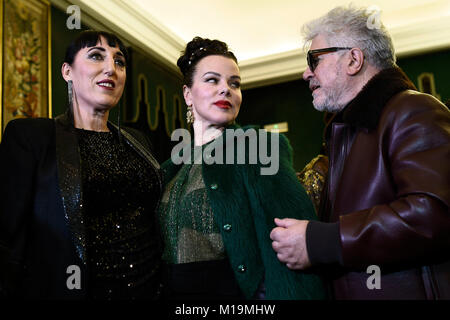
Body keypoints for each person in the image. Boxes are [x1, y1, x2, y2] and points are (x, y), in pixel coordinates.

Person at [270, 5, 450, 300]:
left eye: (314, 60)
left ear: (353, 59)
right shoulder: (347, 134)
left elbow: (434, 214)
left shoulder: (414, 109)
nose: (306, 73)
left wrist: (321, 241)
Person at [158, 36, 326, 300]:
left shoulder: (258, 147)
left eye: (234, 84)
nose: (226, 89)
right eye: (212, 80)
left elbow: (293, 241)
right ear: (188, 94)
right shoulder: (170, 168)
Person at [0, 30, 163, 299]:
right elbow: (6, 239)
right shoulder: (32, 137)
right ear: (67, 71)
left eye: (119, 62)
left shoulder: (139, 141)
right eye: (96, 57)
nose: (111, 68)